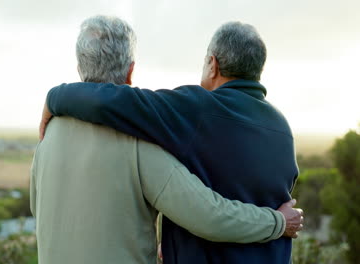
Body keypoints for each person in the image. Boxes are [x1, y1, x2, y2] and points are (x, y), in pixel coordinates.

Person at [39, 21, 300, 264]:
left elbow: (106, 101)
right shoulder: (282, 128)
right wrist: (278, 222)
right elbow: (217, 201)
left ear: (213, 64)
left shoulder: (196, 109)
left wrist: (54, 97)